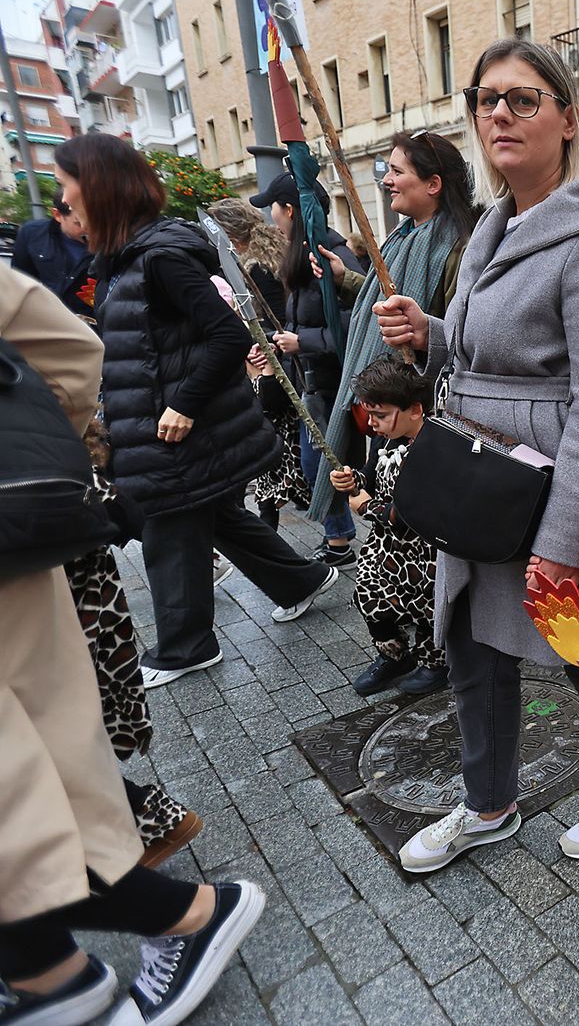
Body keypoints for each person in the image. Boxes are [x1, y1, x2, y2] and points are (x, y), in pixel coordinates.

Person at [376, 40, 579, 873]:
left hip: (542, 483)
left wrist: (565, 542)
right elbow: (472, 350)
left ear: (568, 120)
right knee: (470, 642)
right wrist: (430, 333)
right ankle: (488, 801)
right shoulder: (494, 227)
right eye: (486, 98)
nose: (498, 112)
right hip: (475, 476)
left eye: (523, 99)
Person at [0, 265, 264, 1026]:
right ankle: (50, 967)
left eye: (76, 202)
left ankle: (127, 938)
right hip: (24, 536)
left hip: (34, 533)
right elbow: (73, 356)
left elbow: (197, 340)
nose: (69, 218)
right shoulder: (126, 267)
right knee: (42, 764)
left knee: (27, 777)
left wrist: (176, 406)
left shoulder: (161, 258)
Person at [57, 135, 340, 690]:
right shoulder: (128, 255)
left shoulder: (158, 256)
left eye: (69, 190)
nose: (65, 204)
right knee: (212, 514)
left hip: (174, 425)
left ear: (100, 189)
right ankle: (300, 581)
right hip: (157, 419)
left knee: (168, 523)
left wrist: (183, 405)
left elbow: (226, 334)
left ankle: (187, 645)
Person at [312, 129, 479, 522]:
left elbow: (463, 328)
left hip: (428, 417)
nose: (385, 180)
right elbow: (386, 301)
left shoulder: (464, 246)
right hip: (393, 409)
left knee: (420, 521)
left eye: (396, 171)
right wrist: (347, 279)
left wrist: (424, 333)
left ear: (433, 184)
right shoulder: (400, 239)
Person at [66, 416, 201, 867]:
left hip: (47, 533)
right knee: (47, 717)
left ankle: (142, 829)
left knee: (46, 715)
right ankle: (141, 821)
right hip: (53, 529)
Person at [252, 172, 363, 566]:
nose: (272, 219)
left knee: (327, 463)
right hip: (311, 379)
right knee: (315, 462)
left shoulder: (331, 254)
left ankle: (341, 542)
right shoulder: (301, 254)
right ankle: (338, 538)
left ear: (290, 210)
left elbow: (358, 325)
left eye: (274, 209)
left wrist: (305, 342)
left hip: (333, 381)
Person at [330, 358, 448, 697]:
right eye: (370, 414)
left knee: (426, 608)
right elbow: (371, 470)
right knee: (369, 595)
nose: (372, 423)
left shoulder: (434, 444)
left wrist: (366, 505)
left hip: (424, 551)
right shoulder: (386, 437)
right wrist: (355, 480)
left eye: (380, 415)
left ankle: (434, 663)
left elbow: (412, 512)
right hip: (385, 545)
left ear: (414, 408)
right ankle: (395, 655)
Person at [205, 197, 308, 531]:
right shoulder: (272, 250)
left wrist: (258, 346)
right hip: (279, 353)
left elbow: (274, 316)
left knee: (281, 450)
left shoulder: (254, 266)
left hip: (273, 357)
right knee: (289, 450)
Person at [11, 191, 94, 320]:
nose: (87, 227)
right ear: (57, 215)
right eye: (78, 223)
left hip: (90, 326)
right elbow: (19, 282)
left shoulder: (107, 243)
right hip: (45, 320)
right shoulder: (32, 235)